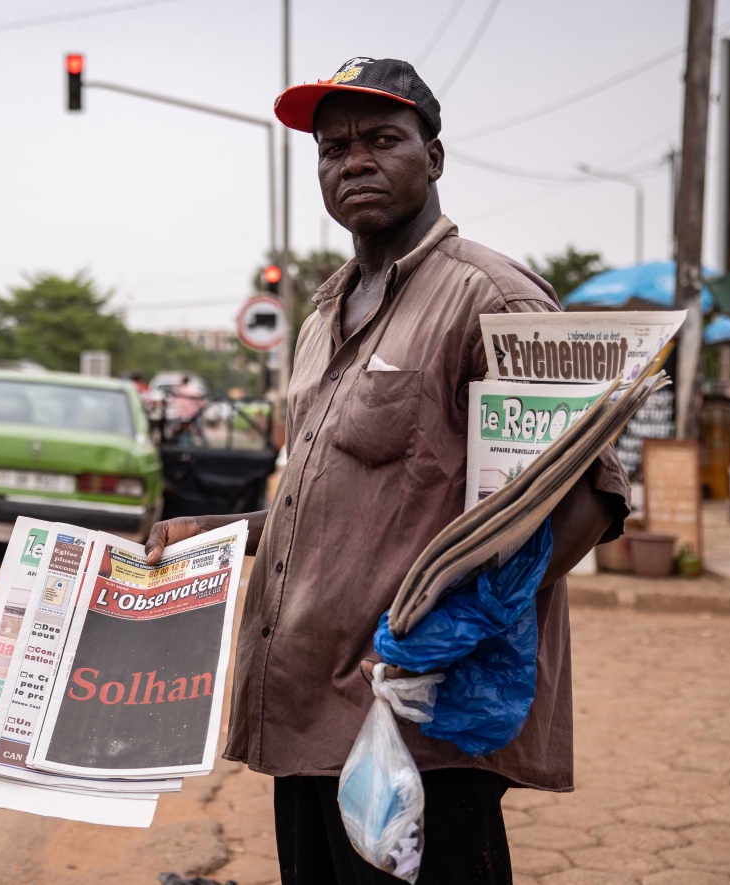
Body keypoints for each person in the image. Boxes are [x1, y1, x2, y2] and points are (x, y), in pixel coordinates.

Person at [145, 57, 630, 884]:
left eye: (381, 139)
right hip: (305, 722)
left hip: (416, 735)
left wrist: (456, 643)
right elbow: (339, 505)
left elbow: (585, 499)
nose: (354, 161)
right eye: (333, 148)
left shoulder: (494, 297)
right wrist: (216, 532)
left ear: (433, 158)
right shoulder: (326, 311)